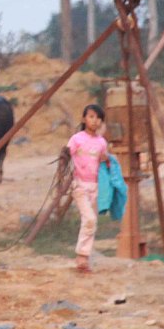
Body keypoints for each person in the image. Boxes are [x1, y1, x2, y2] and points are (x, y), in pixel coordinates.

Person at [67, 104, 107, 274]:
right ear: (84, 119)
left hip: (95, 186)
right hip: (79, 184)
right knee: (89, 219)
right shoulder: (76, 139)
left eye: (98, 118)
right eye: (91, 117)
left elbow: (103, 164)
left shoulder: (101, 142)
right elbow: (66, 156)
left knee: (91, 222)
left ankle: (83, 258)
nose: (94, 121)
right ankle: (82, 256)